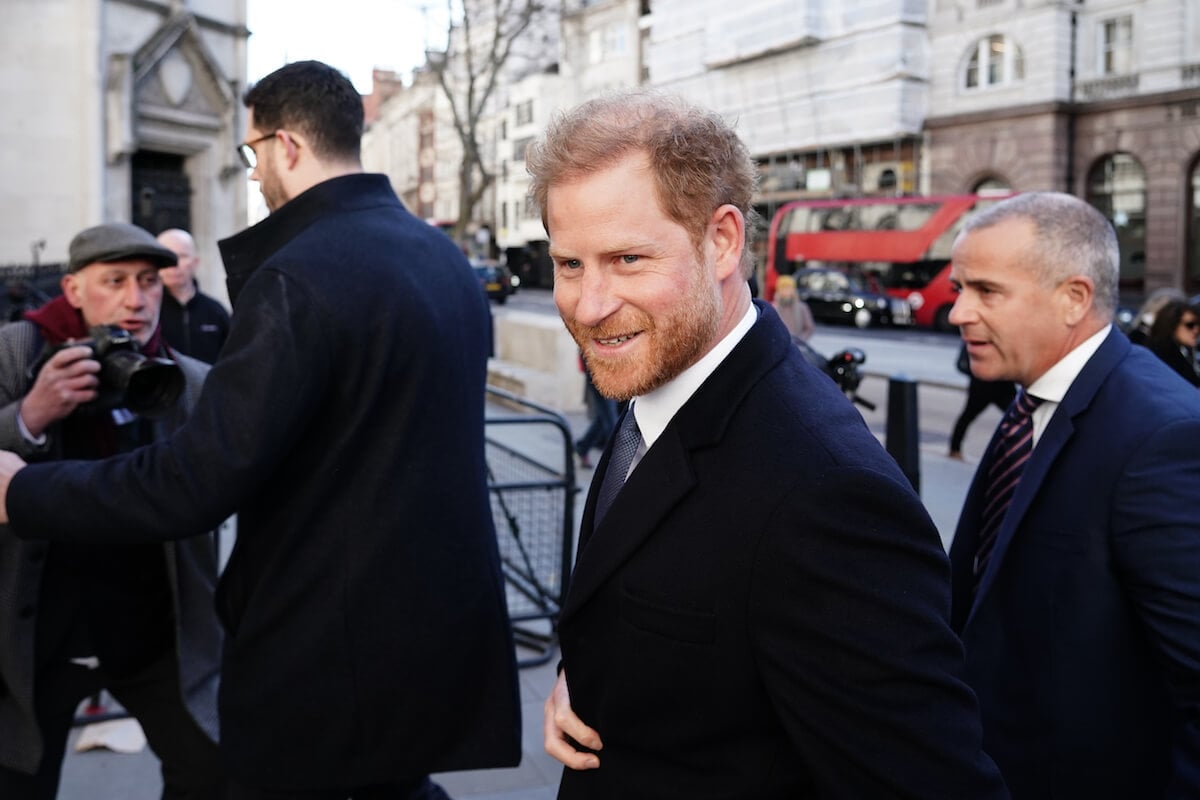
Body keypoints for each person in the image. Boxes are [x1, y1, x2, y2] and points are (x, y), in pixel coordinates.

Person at [0, 60, 519, 798]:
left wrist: (26, 492)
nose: (255, 175)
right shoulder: (439, 257)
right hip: (428, 636)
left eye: (251, 155)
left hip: (324, 650)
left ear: (287, 146)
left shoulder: (296, 273)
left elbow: (196, 480)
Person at [528, 89, 1007, 799]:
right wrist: (594, 676)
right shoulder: (660, 380)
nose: (590, 306)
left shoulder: (825, 491)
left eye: (627, 259)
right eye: (570, 264)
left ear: (722, 241)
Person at [946, 191, 1200, 798]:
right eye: (959, 288)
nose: (958, 312)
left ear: (1074, 299)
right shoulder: (1033, 398)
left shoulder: (1161, 436)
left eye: (986, 291)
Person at [0, 222, 224, 799]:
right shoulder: (16, 351)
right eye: (116, 281)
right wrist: (31, 414)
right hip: (37, 636)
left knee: (211, 770)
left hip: (151, 630)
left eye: (149, 282)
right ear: (73, 290)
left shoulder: (191, 383)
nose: (136, 299)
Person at [155, 229, 231, 364]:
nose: (174, 265)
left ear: (195, 262)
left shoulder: (216, 312)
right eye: (167, 256)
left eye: (182, 256)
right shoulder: (147, 310)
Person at [948, 341, 1017, 459]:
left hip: (1001, 385)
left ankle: (1014, 453)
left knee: (1018, 417)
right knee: (968, 416)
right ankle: (954, 449)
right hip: (984, 385)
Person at [1141, 298, 1200, 387]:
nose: (1196, 330)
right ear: (1173, 325)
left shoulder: (1186, 352)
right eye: (1190, 325)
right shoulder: (1160, 356)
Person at [573, 357, 616, 469]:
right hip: (600, 371)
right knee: (612, 420)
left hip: (614, 372)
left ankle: (582, 447)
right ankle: (618, 462)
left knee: (604, 417)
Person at [770, 273, 814, 342]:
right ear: (779, 291)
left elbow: (809, 328)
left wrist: (801, 339)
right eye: (783, 289)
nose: (787, 292)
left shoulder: (802, 308)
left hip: (797, 344)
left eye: (789, 289)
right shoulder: (772, 308)